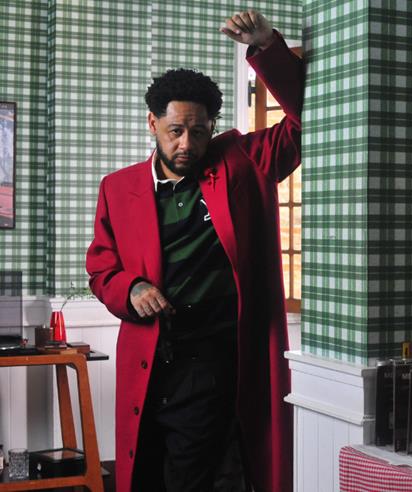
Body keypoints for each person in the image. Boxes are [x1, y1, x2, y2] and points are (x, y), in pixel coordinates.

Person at [86, 10, 303, 492]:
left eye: (199, 131)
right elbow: (101, 268)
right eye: (176, 131)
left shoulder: (242, 161)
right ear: (153, 123)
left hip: (212, 362)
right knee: (143, 474)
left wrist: (268, 47)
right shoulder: (118, 188)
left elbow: (304, 119)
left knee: (191, 477)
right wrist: (131, 287)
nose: (187, 144)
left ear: (212, 127)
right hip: (146, 361)